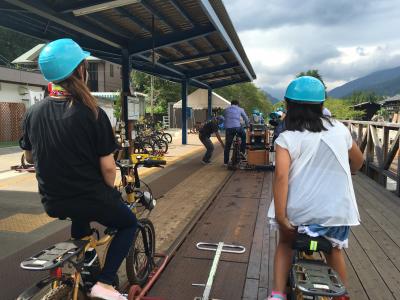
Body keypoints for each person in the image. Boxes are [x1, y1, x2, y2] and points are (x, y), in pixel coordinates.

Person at [19, 38, 137, 300]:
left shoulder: (33, 112)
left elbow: (29, 155)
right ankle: (104, 283)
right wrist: (111, 193)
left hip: (54, 201)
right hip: (91, 197)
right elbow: (108, 169)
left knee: (80, 219)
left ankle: (86, 269)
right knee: (129, 224)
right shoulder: (92, 112)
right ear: (80, 70)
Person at [267, 76, 364, 300]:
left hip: (299, 212)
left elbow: (281, 177)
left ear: (288, 106)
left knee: (284, 244)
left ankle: (277, 295)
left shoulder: (287, 138)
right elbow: (358, 161)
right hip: (337, 212)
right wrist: (351, 173)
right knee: (334, 249)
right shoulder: (340, 129)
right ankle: (341, 295)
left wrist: (281, 217)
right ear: (321, 105)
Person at [223, 100, 249, 165]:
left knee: (228, 145)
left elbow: (226, 117)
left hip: (228, 128)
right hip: (237, 127)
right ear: (237, 104)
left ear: (231, 104)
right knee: (244, 136)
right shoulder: (240, 109)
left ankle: (225, 162)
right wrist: (248, 125)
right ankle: (242, 152)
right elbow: (245, 118)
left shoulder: (226, 109)